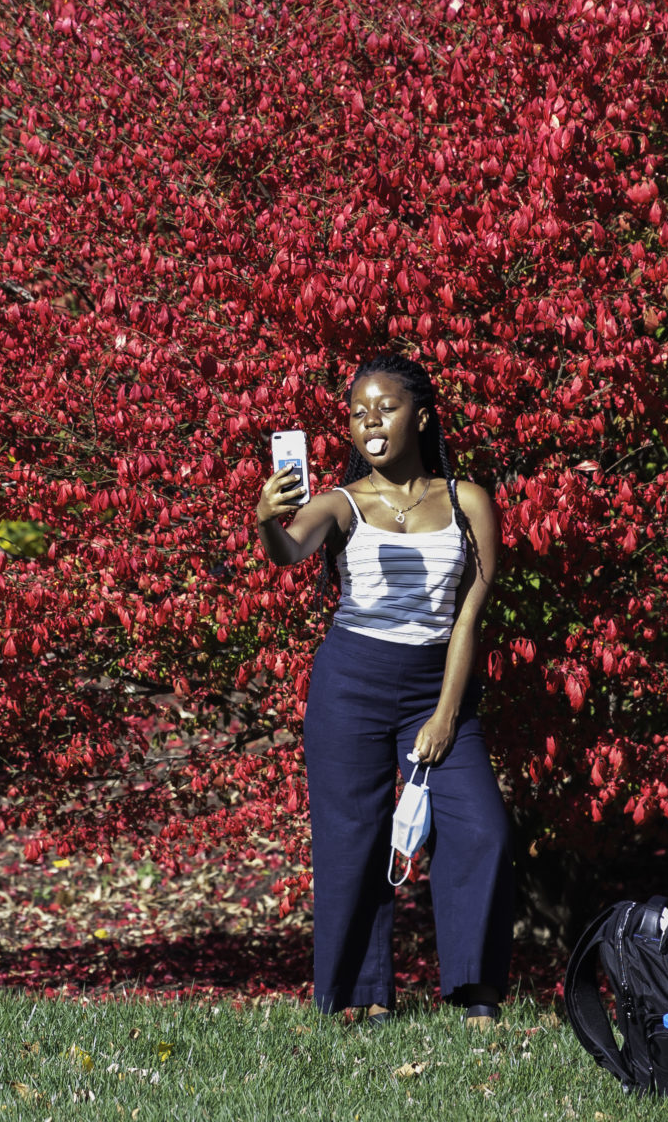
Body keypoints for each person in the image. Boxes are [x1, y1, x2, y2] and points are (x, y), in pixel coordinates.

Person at [254, 353, 513, 1029]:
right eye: (358, 411)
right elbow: (289, 552)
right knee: (353, 840)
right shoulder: (340, 504)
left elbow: (468, 618)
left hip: (435, 683)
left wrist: (447, 714)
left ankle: (474, 993)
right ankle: (359, 996)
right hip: (351, 683)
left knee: (481, 827)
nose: (370, 421)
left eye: (386, 408)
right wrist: (267, 522)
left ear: (421, 418)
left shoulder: (469, 503)